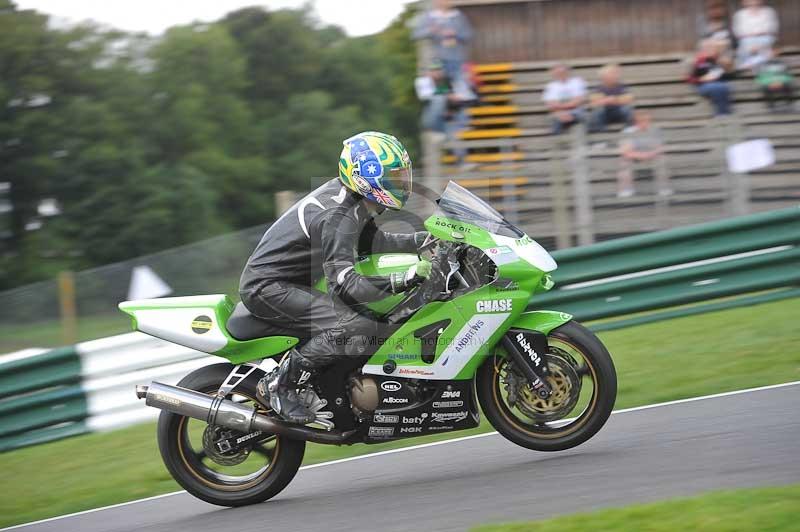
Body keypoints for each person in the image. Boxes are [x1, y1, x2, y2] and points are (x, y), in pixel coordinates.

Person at [239, 132, 430, 424]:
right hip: (268, 288)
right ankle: (281, 385)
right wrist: (401, 279)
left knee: (375, 322)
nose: (402, 183)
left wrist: (426, 239)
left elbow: (374, 243)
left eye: (402, 175)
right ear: (365, 176)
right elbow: (344, 285)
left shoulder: (355, 202)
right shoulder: (337, 215)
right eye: (393, 177)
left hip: (289, 283)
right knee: (352, 323)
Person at [416, 62, 475, 168]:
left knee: (455, 136)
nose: (436, 73)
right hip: (432, 120)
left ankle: (461, 162)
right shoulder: (423, 82)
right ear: (429, 73)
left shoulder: (448, 81)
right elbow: (426, 97)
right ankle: (436, 135)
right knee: (439, 100)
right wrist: (449, 96)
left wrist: (452, 103)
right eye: (433, 70)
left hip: (446, 119)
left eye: (438, 70)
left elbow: (464, 98)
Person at [413, 0, 473, 83]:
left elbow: (468, 35)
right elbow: (415, 35)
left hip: (457, 59)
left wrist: (455, 34)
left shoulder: (459, 16)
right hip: (435, 59)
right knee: (440, 90)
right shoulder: (428, 17)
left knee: (459, 87)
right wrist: (431, 30)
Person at [618, 110, 669, 198]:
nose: (646, 123)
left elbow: (660, 148)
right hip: (635, 157)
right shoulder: (628, 132)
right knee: (624, 162)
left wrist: (650, 154)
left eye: (647, 120)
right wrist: (642, 155)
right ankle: (626, 189)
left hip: (651, 155)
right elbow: (625, 152)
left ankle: (663, 188)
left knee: (662, 159)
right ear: (637, 122)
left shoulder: (655, 130)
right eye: (642, 120)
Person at [688, 39, 734, 116]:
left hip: (720, 84)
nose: (710, 49)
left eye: (712, 47)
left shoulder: (720, 60)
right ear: (702, 49)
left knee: (721, 87)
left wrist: (728, 68)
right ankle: (724, 115)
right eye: (707, 47)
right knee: (717, 87)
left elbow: (730, 76)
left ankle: (723, 115)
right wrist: (701, 79)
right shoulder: (698, 61)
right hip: (703, 86)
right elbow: (690, 78)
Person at [588, 64, 635, 132]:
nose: (616, 76)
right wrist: (610, 100)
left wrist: (611, 100)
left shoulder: (622, 87)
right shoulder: (598, 89)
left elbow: (629, 99)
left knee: (627, 109)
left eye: (616, 74)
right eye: (612, 74)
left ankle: (628, 133)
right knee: (597, 112)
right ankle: (602, 137)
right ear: (604, 77)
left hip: (619, 112)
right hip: (605, 114)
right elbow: (593, 103)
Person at [733, 0, 779, 70]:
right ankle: (755, 63)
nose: (753, 1)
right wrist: (753, 34)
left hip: (765, 37)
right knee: (745, 47)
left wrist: (757, 35)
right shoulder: (739, 14)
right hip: (746, 39)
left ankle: (754, 64)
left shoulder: (769, 12)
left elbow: (772, 28)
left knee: (765, 45)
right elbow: (738, 31)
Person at [543, 64, 587, 135]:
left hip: (576, 113)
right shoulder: (551, 86)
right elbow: (551, 105)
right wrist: (561, 113)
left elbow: (578, 101)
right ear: (554, 74)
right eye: (558, 73)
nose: (561, 74)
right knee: (556, 122)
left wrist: (560, 106)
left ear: (568, 72)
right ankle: (558, 142)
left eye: (563, 72)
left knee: (579, 122)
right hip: (558, 114)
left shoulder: (577, 82)